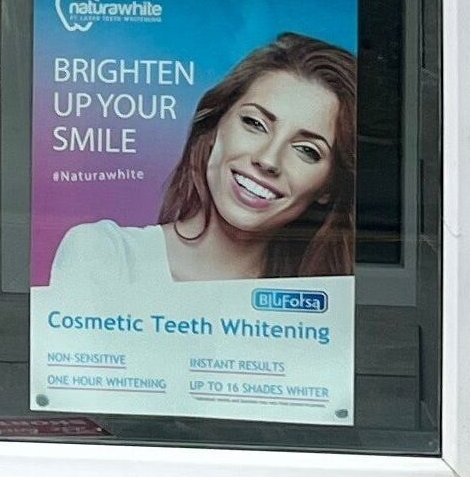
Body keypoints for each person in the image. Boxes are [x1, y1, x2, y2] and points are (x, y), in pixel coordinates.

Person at [47, 33, 358, 298]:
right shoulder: (106, 256)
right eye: (254, 123)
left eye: (307, 150)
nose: (267, 160)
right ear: (213, 128)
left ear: (328, 188)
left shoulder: (318, 299)